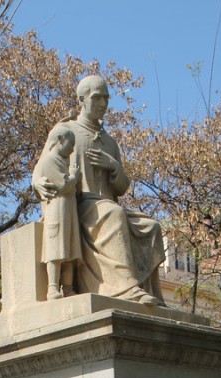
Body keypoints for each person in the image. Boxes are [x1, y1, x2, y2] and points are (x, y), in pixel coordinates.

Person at [32, 76, 165, 305]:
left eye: (106, 98)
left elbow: (122, 188)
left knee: (152, 227)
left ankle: (152, 293)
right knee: (115, 215)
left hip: (108, 205)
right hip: (80, 205)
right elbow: (42, 167)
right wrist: (37, 183)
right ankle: (127, 288)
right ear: (82, 99)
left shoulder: (110, 142)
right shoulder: (65, 130)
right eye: (97, 97)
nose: (103, 103)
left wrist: (113, 166)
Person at [32, 123, 82, 300]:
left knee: (69, 252)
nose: (72, 149)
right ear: (60, 140)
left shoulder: (62, 161)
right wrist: (74, 176)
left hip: (69, 211)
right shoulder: (50, 160)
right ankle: (52, 287)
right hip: (57, 210)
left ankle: (67, 287)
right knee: (56, 250)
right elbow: (64, 185)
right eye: (70, 143)